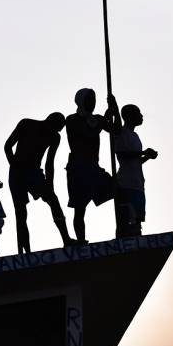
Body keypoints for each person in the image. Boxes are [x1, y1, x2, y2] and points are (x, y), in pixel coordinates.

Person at [4, 112, 73, 252]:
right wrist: (15, 167)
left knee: (53, 200)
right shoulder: (26, 124)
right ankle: (24, 250)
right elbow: (7, 146)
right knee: (21, 212)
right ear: (49, 121)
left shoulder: (55, 137)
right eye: (55, 128)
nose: (55, 132)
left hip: (34, 172)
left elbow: (49, 163)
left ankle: (66, 239)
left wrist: (50, 185)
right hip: (17, 172)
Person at [65, 88, 118, 244]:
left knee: (117, 190)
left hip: (94, 168)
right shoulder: (72, 120)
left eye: (94, 100)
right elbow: (89, 133)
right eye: (89, 100)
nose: (92, 103)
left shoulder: (98, 119)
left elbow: (117, 130)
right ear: (81, 101)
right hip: (78, 169)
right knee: (80, 209)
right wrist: (103, 120)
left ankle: (124, 228)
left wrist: (115, 109)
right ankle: (81, 240)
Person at [114, 103, 158, 238]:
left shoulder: (135, 136)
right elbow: (121, 155)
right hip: (126, 184)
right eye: (138, 113)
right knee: (126, 220)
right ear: (129, 116)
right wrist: (143, 152)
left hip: (138, 184)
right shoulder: (121, 133)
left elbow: (135, 161)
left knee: (137, 222)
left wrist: (147, 157)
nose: (141, 116)